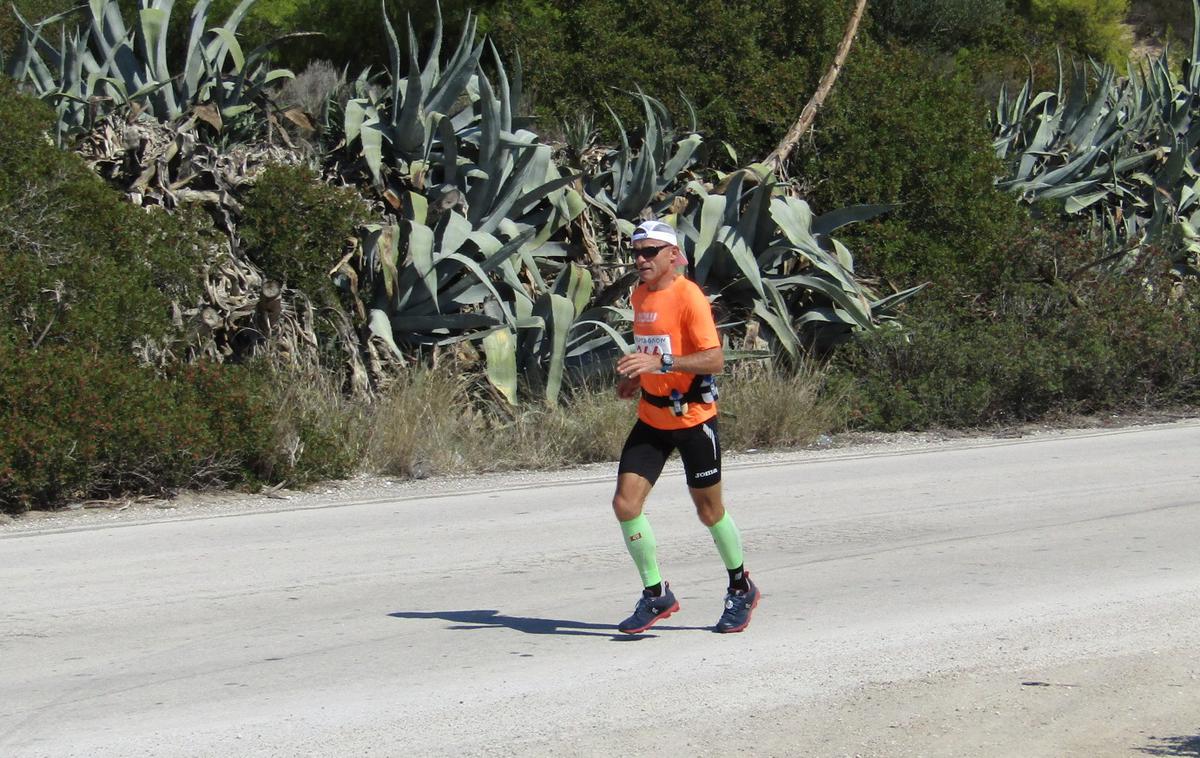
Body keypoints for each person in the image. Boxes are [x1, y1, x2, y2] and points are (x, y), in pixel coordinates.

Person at [611, 219, 760, 634]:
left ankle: (741, 587)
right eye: (636, 252)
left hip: (694, 420)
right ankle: (656, 593)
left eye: (649, 252)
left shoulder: (690, 297)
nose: (640, 259)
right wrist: (637, 377)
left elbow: (714, 360)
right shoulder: (640, 294)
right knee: (625, 505)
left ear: (672, 256)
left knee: (709, 511)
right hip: (652, 417)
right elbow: (654, 348)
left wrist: (661, 364)